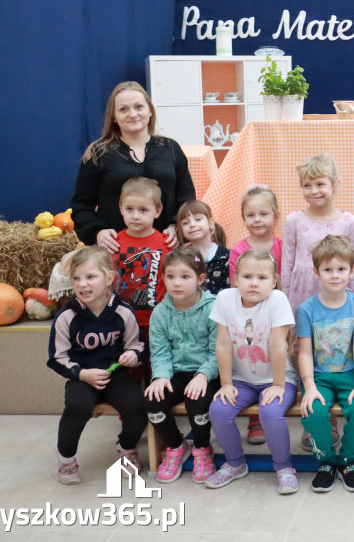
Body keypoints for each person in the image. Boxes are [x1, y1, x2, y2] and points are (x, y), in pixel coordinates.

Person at [47, 246, 146, 483]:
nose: (82, 284)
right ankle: (66, 459)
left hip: (116, 375)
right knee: (77, 408)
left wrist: (132, 355)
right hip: (82, 376)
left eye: (90, 277)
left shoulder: (123, 311)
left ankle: (127, 447)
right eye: (76, 278)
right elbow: (56, 359)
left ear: (109, 278)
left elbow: (137, 346)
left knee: (136, 406)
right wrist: (81, 374)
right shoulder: (66, 317)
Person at [206, 250, 299, 495]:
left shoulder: (277, 300)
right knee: (218, 410)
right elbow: (223, 344)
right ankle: (235, 464)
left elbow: (278, 344)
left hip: (279, 378)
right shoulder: (225, 298)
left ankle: (284, 468)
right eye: (247, 276)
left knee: (270, 412)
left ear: (274, 281)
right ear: (235, 279)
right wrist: (226, 383)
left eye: (262, 277)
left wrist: (278, 385)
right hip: (241, 379)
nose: (254, 283)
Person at [71, 81, 194, 252]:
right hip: (117, 252)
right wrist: (97, 232)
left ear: (150, 110)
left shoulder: (171, 148)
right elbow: (81, 207)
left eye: (139, 107)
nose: (132, 114)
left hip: (168, 251)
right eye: (123, 109)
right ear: (114, 116)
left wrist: (177, 227)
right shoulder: (97, 153)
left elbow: (187, 199)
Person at [296, 235, 354, 493]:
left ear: (352, 271)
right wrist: (309, 387)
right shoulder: (306, 309)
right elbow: (305, 353)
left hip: (351, 374)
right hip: (319, 377)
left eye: (341, 269)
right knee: (313, 410)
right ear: (317, 273)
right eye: (328, 270)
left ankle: (348, 462)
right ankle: (327, 461)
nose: (335, 275)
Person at [143, 247, 220, 484]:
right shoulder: (160, 313)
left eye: (185, 277)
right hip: (175, 373)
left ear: (200, 279)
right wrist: (161, 376)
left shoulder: (214, 308)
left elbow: (219, 351)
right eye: (170, 276)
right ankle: (177, 446)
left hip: (209, 374)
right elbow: (160, 351)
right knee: (152, 402)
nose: (176, 283)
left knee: (197, 404)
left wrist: (203, 376)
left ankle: (202, 448)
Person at [227, 185, 282, 445]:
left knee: (279, 360)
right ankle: (255, 417)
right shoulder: (238, 251)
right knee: (253, 362)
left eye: (263, 214)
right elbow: (236, 289)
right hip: (250, 318)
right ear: (243, 218)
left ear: (275, 215)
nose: (257, 220)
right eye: (251, 215)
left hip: (281, 315)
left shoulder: (284, 246)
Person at [282, 154, 354, 315]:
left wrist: (353, 303)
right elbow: (287, 266)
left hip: (337, 297)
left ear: (335, 185)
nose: (313, 191)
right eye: (307, 185)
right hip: (301, 294)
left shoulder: (349, 222)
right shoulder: (293, 221)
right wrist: (284, 304)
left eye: (320, 184)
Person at [112, 177, 169, 382]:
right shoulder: (114, 243)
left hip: (158, 323)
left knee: (157, 370)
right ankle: (131, 412)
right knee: (130, 372)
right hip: (125, 324)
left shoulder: (166, 244)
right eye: (129, 209)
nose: (135, 216)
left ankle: (156, 410)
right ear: (121, 209)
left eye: (143, 210)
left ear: (158, 211)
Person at [176, 199, 230, 294]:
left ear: (210, 223)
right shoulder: (181, 257)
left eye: (198, 219)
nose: (192, 225)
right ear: (181, 230)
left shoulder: (225, 256)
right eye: (185, 223)